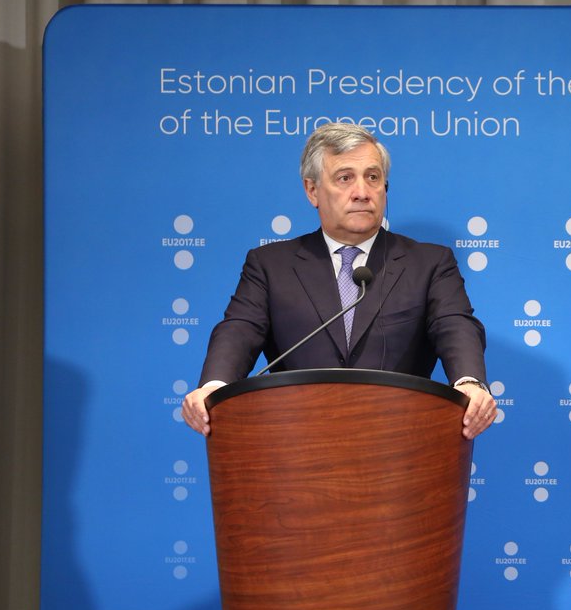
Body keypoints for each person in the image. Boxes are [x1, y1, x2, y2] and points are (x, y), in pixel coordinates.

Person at [181, 122, 496, 439]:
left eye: (372, 177)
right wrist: (215, 386)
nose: (362, 192)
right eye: (345, 178)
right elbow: (240, 328)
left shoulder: (429, 262)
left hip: (398, 443)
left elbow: (454, 324)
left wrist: (469, 382)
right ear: (312, 190)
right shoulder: (270, 265)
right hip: (296, 444)